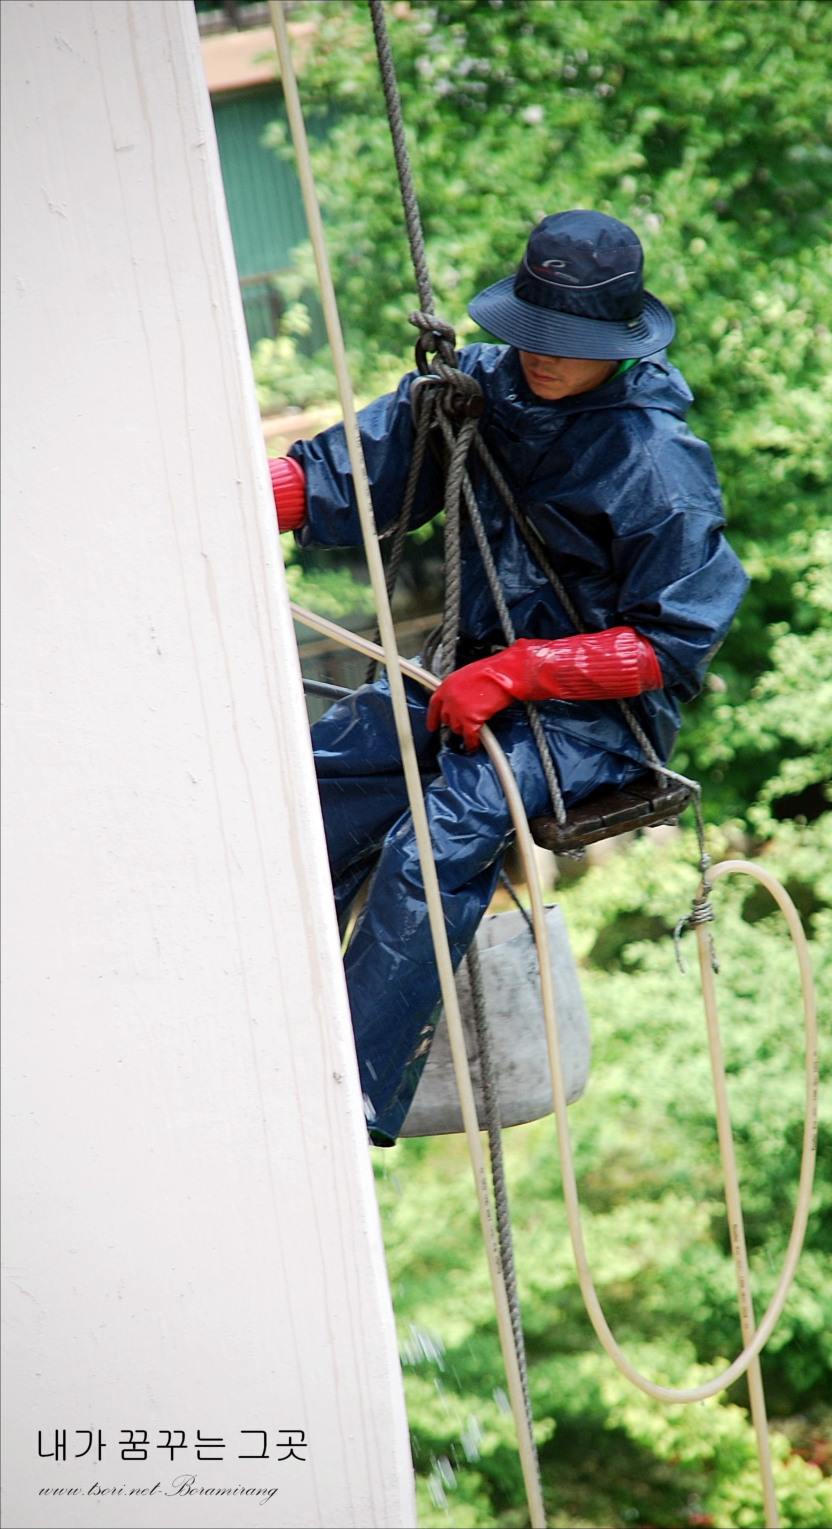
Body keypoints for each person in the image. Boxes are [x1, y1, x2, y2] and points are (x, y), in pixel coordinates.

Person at [269, 210, 748, 1144]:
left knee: (441, 836)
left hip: (597, 717)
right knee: (333, 763)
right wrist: (247, 498)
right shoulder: (477, 392)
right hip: (468, 672)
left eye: (564, 344)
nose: (540, 357)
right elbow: (358, 466)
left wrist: (526, 671)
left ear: (616, 342)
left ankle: (347, 1089)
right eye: (529, 332)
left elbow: (674, 639)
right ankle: (264, 985)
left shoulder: (656, 462)